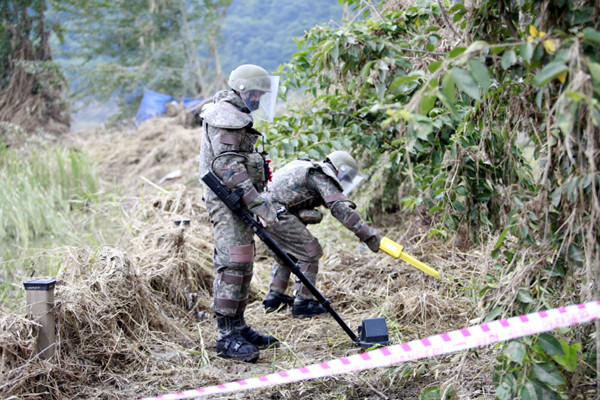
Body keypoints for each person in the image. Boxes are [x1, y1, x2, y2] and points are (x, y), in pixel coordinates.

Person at [197, 64, 281, 362]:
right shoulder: (226, 116)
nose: (259, 99)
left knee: (244, 262)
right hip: (229, 200)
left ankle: (238, 325)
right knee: (232, 264)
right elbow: (227, 167)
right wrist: (260, 205)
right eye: (257, 92)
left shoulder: (234, 113)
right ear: (244, 90)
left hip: (239, 199)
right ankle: (225, 336)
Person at [262, 151, 381, 318]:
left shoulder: (305, 166)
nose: (343, 182)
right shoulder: (320, 174)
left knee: (287, 255)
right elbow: (340, 208)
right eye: (345, 177)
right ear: (339, 169)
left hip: (263, 211)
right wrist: (368, 235)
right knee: (311, 252)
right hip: (274, 213)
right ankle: (304, 303)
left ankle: (275, 299)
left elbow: (288, 196)